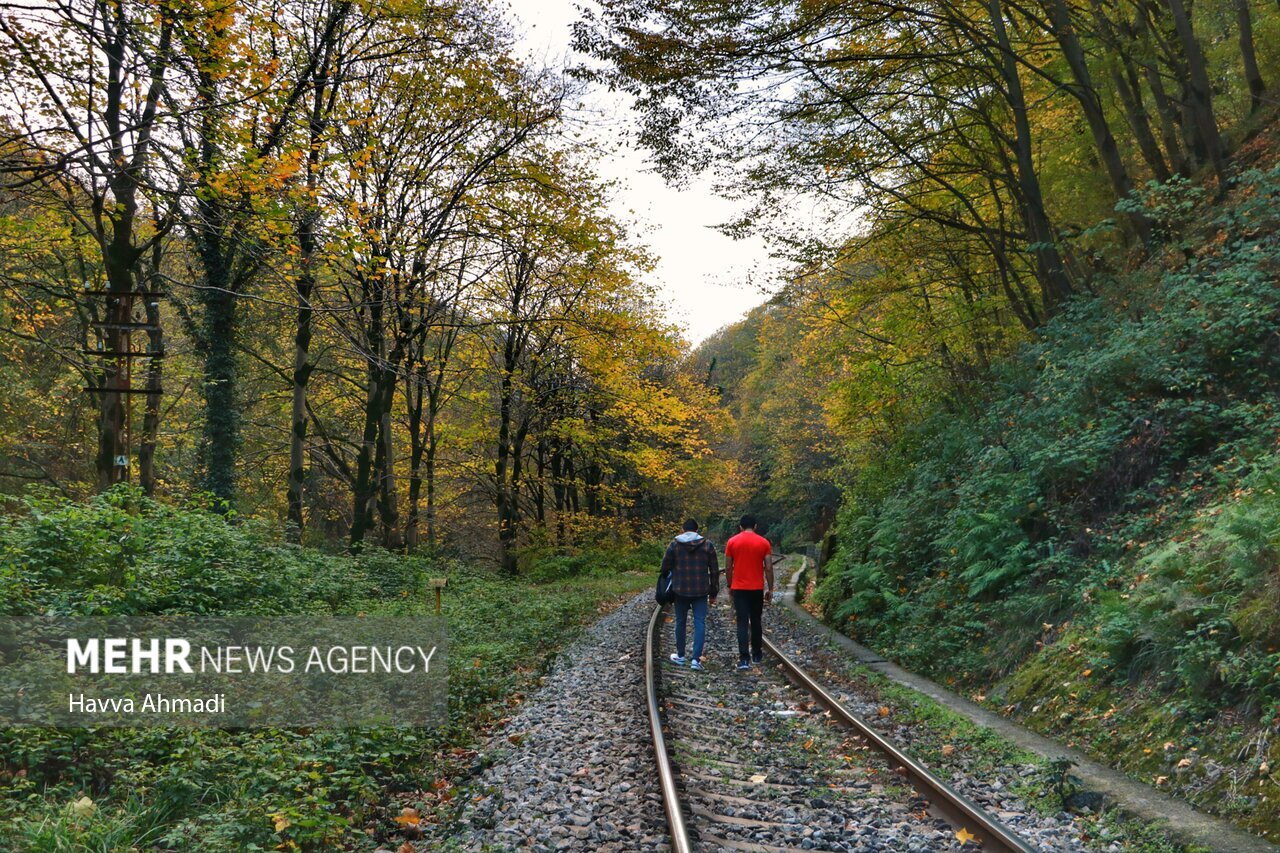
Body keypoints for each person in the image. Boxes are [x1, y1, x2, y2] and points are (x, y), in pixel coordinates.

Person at [662, 518, 718, 671]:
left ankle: (680, 655)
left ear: (682, 529)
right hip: (701, 591)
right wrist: (713, 592)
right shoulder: (707, 545)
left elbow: (664, 566)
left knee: (680, 621)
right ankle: (695, 659)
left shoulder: (674, 545)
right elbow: (714, 571)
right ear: (697, 530)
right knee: (699, 622)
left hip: (680, 590)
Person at [724, 514, 774, 670]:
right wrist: (771, 588)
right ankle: (757, 655)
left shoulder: (732, 542)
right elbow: (769, 567)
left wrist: (730, 585)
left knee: (742, 622)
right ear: (756, 526)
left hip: (739, 588)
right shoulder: (764, 543)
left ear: (740, 527)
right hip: (757, 588)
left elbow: (727, 567)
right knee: (756, 621)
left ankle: (744, 658)